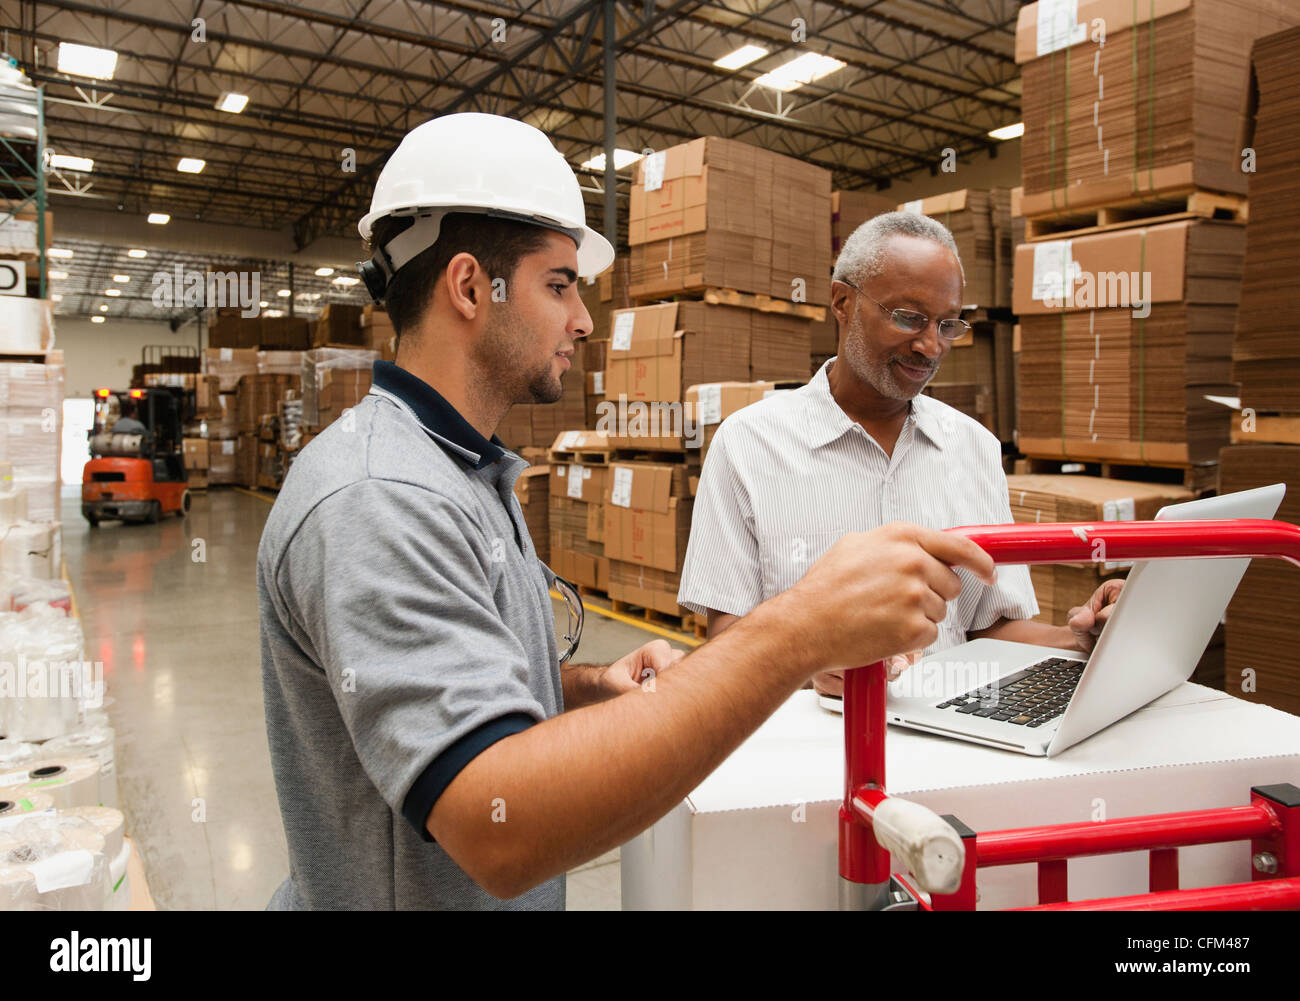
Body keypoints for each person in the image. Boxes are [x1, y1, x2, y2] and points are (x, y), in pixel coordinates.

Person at [257, 114, 998, 910]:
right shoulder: (380, 497)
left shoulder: (461, 472)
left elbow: (467, 685)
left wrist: (579, 689)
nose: (582, 319)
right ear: (471, 287)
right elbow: (499, 829)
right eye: (559, 284)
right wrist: (804, 627)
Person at [677, 211, 1123, 696]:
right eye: (908, 318)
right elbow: (727, 643)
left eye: (947, 324)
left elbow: (988, 630)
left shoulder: (972, 447)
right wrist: (810, 665)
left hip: (954, 738)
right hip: (813, 747)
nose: (930, 346)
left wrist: (1075, 639)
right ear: (842, 301)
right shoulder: (749, 444)